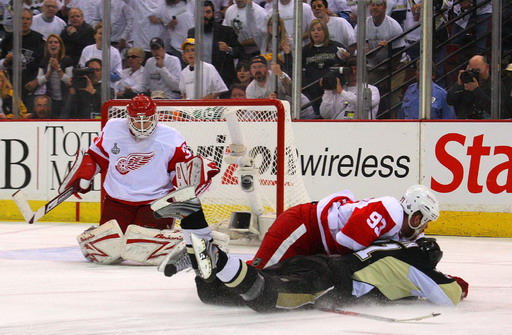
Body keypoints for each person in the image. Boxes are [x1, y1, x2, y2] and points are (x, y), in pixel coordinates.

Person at [58, 94, 220, 265]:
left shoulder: (171, 137)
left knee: (143, 248)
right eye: (137, 121)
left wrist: (194, 182)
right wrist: (85, 174)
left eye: (147, 120)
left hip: (154, 204)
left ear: (156, 117)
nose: (142, 126)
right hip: (117, 200)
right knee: (107, 252)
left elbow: (180, 174)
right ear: (128, 118)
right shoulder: (113, 129)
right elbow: (96, 156)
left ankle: (187, 240)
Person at [188, 237, 469, 312]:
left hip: (317, 263)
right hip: (327, 282)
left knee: (217, 295)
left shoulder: (391, 246)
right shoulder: (417, 262)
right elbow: (449, 295)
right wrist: (458, 283)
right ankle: (218, 257)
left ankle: (202, 265)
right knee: (266, 299)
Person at [357, 0, 406, 118]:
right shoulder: (363, 24)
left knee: (393, 96)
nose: (375, 8)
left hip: (396, 65)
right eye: (372, 5)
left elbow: (398, 54)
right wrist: (376, 50)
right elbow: (368, 54)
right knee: (365, 93)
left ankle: (397, 123)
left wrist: (387, 76)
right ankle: (368, 121)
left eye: (378, 5)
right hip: (375, 65)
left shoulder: (393, 26)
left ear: (384, 7)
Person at [187, 1, 244, 91]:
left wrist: (228, 49)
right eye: (202, 13)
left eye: (208, 12)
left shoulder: (226, 31)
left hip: (222, 78)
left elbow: (239, 52)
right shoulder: (192, 32)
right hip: (200, 78)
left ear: (213, 14)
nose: (205, 15)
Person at [0, 8, 45, 112]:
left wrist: (37, 81)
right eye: (22, 18)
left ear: (31, 21)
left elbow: (45, 64)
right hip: (10, 88)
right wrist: (5, 62)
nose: (25, 22)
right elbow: (1, 66)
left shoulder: (39, 39)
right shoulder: (7, 39)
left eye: (28, 19)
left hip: (32, 88)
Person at [302, 19, 349, 116]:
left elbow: (348, 63)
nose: (316, 32)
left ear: (325, 31)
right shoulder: (306, 50)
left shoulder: (335, 46)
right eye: (313, 30)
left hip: (333, 90)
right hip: (313, 91)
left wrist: (346, 58)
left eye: (319, 29)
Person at [245, 55, 315, 119]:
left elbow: (293, 92)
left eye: (260, 66)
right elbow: (254, 111)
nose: (257, 70)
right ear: (250, 71)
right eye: (254, 67)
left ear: (267, 68)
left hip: (302, 111)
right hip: (283, 117)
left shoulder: (277, 75)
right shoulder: (250, 89)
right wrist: (267, 101)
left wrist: (280, 74)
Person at [36, 34, 73, 117]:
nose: (53, 44)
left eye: (56, 42)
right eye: (50, 42)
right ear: (47, 46)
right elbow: (39, 81)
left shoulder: (67, 60)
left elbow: (70, 82)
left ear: (60, 46)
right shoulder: (44, 61)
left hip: (66, 98)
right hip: (50, 99)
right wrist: (50, 72)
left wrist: (58, 69)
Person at [446, 55, 494, 119]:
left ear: (487, 67)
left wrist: (476, 89)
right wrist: (458, 84)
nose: (475, 73)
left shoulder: (495, 85)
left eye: (478, 70)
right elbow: (449, 101)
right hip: (465, 124)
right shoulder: (466, 82)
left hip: (487, 125)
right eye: (472, 70)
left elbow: (495, 109)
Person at [78, 23, 123, 87]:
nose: (102, 36)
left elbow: (118, 76)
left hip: (108, 88)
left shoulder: (114, 52)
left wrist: (103, 73)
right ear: (95, 35)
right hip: (89, 87)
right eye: (100, 33)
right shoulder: (87, 50)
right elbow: (81, 68)